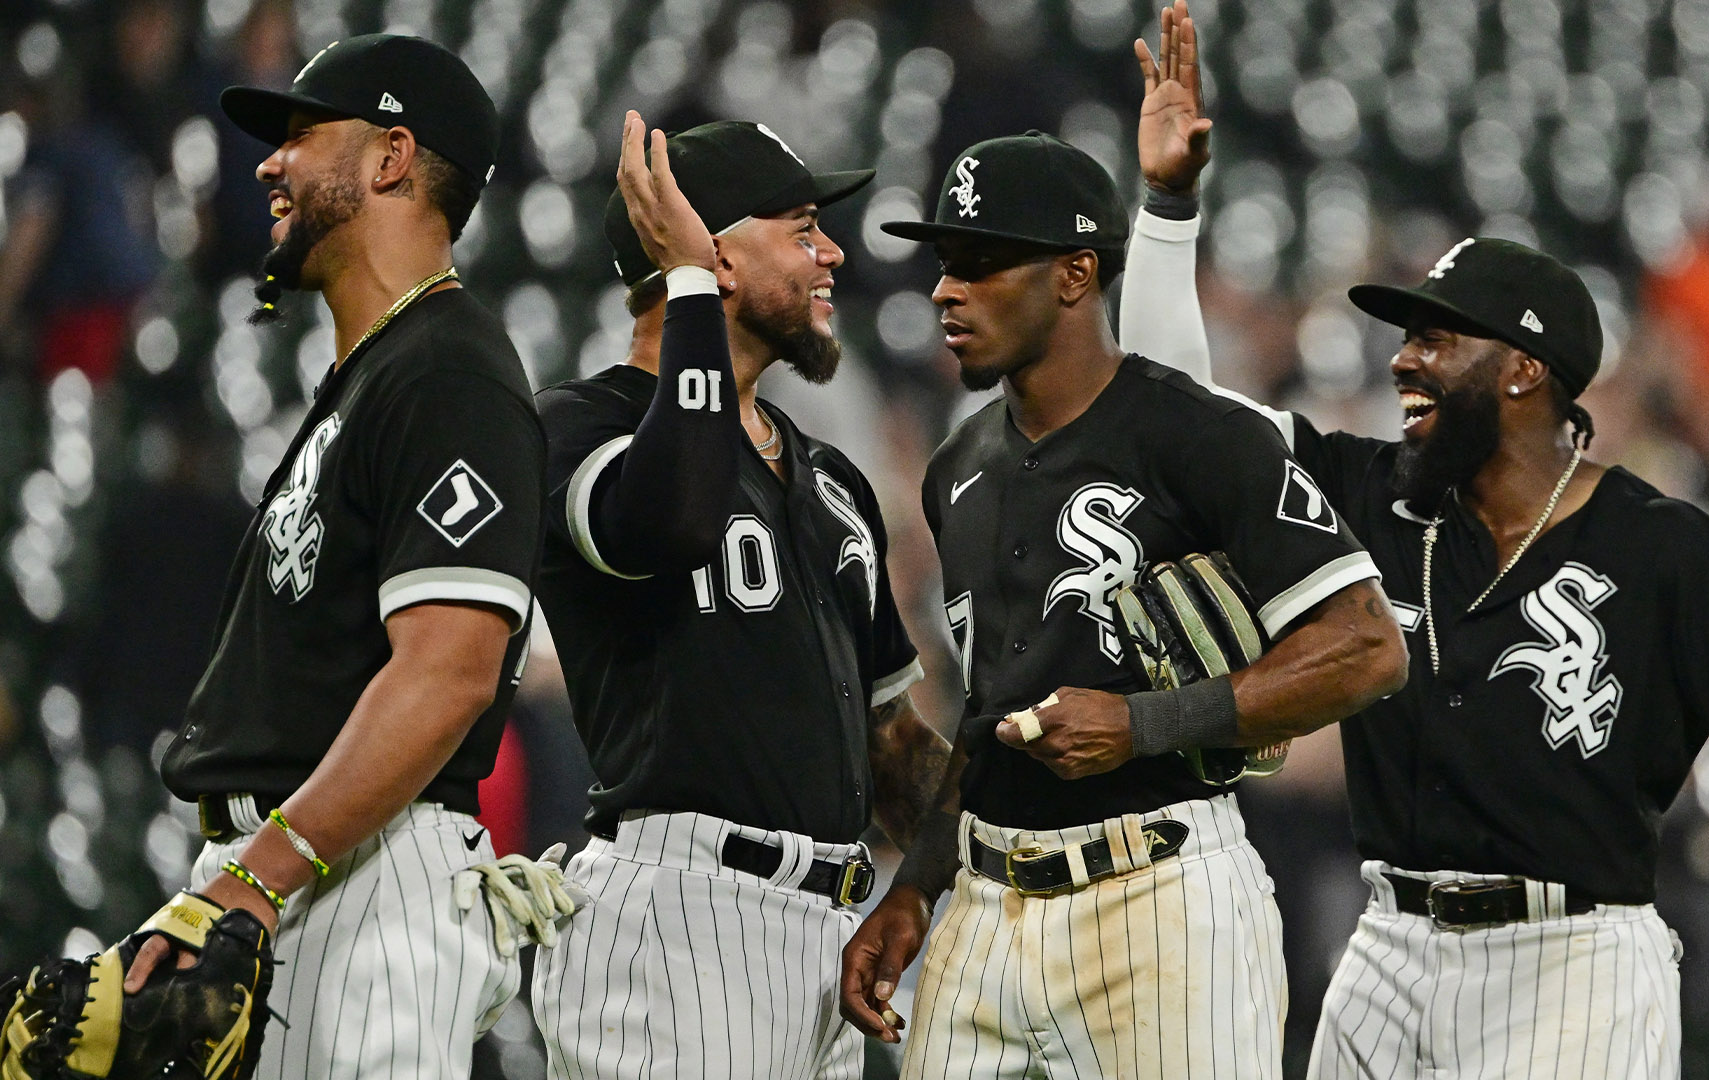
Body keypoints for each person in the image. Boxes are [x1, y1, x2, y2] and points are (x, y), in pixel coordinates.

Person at [1117, 8, 1709, 1075]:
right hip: (1386, 947)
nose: (1404, 362)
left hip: (1577, 962)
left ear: (1525, 372)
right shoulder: (1369, 491)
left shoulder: (1660, 546)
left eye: (1437, 339)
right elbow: (1165, 418)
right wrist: (1167, 208)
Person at [837, 130, 1408, 1078]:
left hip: (1163, 898)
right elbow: (987, 722)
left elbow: (1365, 646)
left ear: (1074, 275)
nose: (946, 290)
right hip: (986, 905)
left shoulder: (1203, 435)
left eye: (981, 264)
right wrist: (917, 887)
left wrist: (1148, 722)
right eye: (945, 265)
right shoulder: (955, 472)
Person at [139, 33, 547, 1079]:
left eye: (302, 135)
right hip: (301, 875)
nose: (272, 163)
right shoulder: (379, 376)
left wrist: (257, 877)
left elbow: (448, 672)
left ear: (391, 158)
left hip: (362, 884)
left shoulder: (450, 368)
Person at [529, 114, 950, 1080]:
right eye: (802, 228)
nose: (833, 253)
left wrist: (986, 850)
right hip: (678, 920)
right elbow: (675, 515)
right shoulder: (577, 424)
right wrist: (685, 295)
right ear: (709, 254)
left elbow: (889, 744)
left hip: (833, 935)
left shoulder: (831, 477)